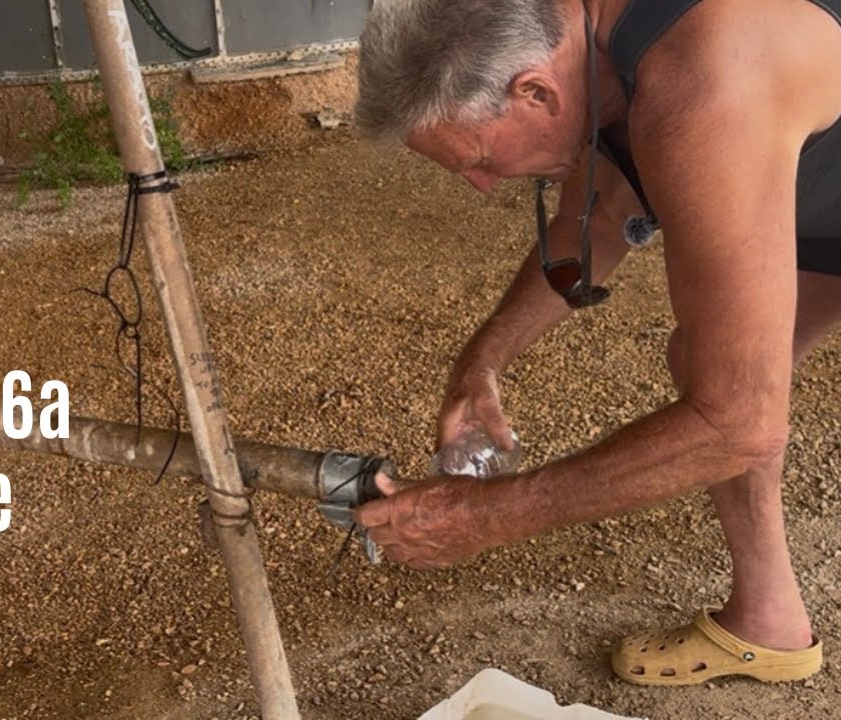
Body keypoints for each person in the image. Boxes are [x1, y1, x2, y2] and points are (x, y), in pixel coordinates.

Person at [351, 0, 841, 686]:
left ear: (534, 91)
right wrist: (483, 358)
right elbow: (605, 213)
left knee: (730, 398)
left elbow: (737, 425)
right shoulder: (583, 39)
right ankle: (769, 621)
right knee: (709, 360)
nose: (482, 185)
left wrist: (488, 516)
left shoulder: (703, 89)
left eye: (480, 160)